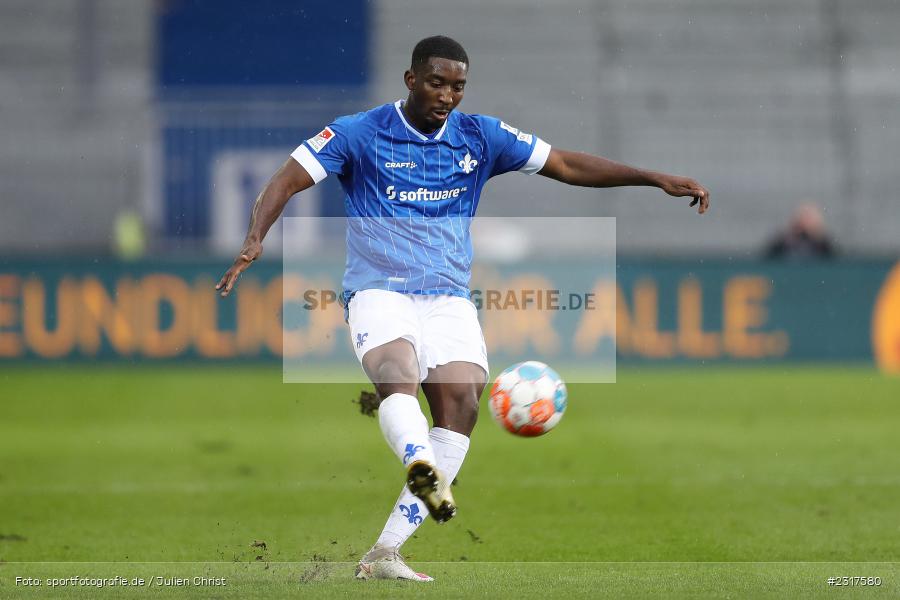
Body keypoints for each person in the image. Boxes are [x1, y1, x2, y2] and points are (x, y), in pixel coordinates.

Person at [216, 35, 710, 582]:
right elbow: (287, 178)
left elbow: (565, 163)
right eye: (437, 82)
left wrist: (652, 178)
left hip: (447, 295)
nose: (448, 95)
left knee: (463, 404)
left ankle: (384, 554)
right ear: (410, 79)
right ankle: (417, 462)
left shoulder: (482, 136)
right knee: (396, 373)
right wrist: (255, 237)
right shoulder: (359, 132)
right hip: (380, 287)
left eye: (457, 86)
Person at [765, 202, 836, 259]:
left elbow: (835, 261)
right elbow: (767, 259)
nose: (804, 222)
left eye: (809, 218)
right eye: (802, 217)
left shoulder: (823, 244)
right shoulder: (783, 243)